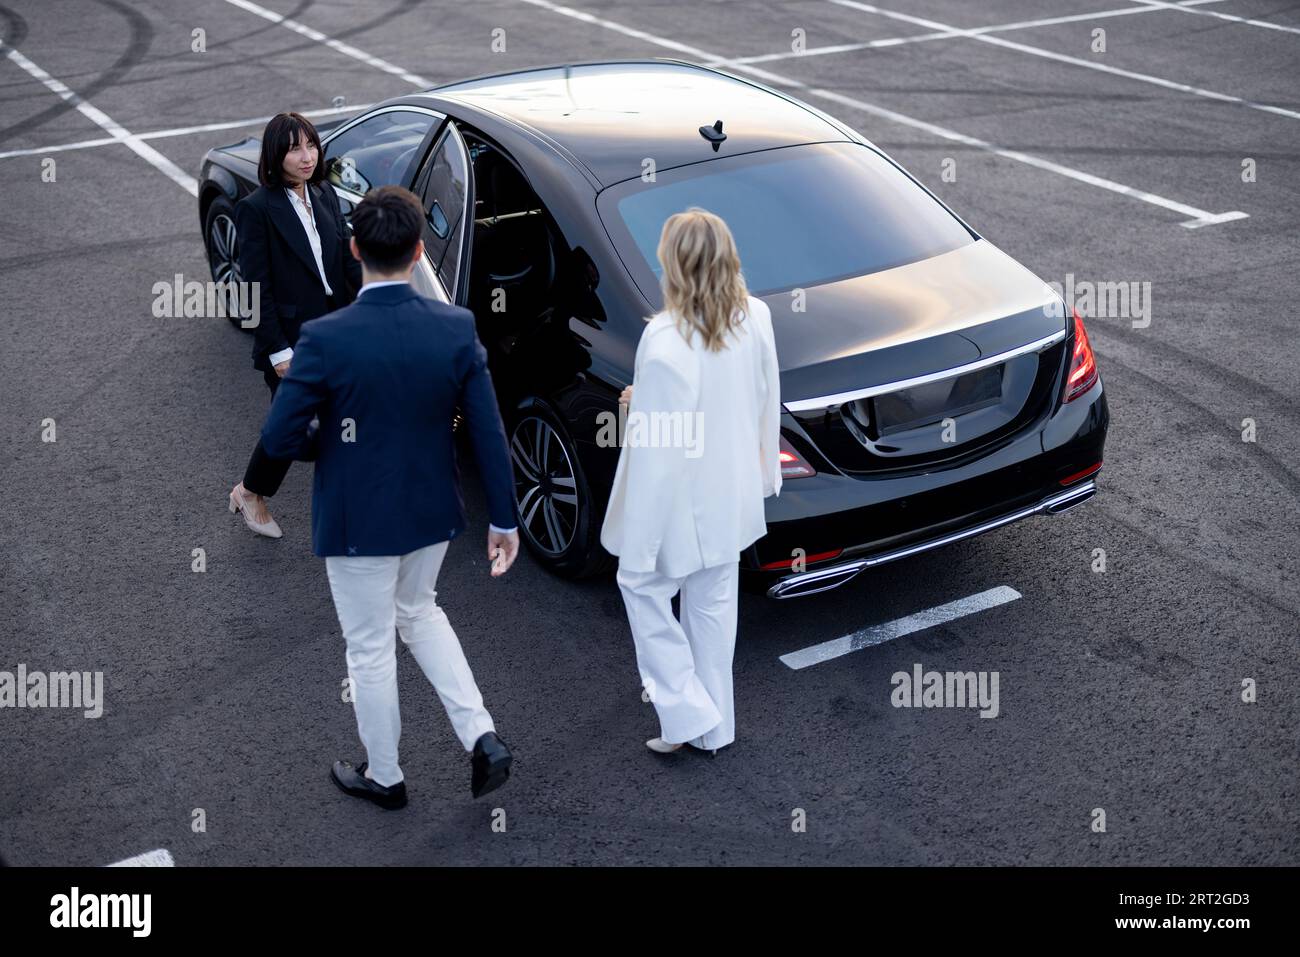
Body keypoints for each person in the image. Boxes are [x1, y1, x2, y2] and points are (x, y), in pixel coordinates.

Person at [260, 185, 519, 809]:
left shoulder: (325, 338)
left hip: (357, 517)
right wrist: (505, 520)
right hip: (432, 509)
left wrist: (331, 442)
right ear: (418, 250)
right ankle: (480, 736)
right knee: (422, 611)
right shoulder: (456, 328)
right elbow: (488, 431)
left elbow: (279, 435)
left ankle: (386, 775)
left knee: (371, 645)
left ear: (354, 249)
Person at [600, 208, 782, 757]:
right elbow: (762, 399)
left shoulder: (664, 337)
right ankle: (714, 727)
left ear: (675, 266)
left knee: (640, 588)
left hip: (680, 505)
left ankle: (683, 710)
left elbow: (662, 451)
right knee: (712, 610)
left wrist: (643, 537)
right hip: (732, 493)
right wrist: (763, 477)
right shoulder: (757, 316)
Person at [228, 112, 361, 538]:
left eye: (311, 145)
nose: (306, 157)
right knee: (289, 427)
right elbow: (254, 286)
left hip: (335, 324)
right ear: (275, 155)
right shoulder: (256, 210)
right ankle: (250, 492)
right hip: (291, 338)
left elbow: (343, 258)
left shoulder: (323, 192)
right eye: (294, 149)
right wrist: (277, 350)